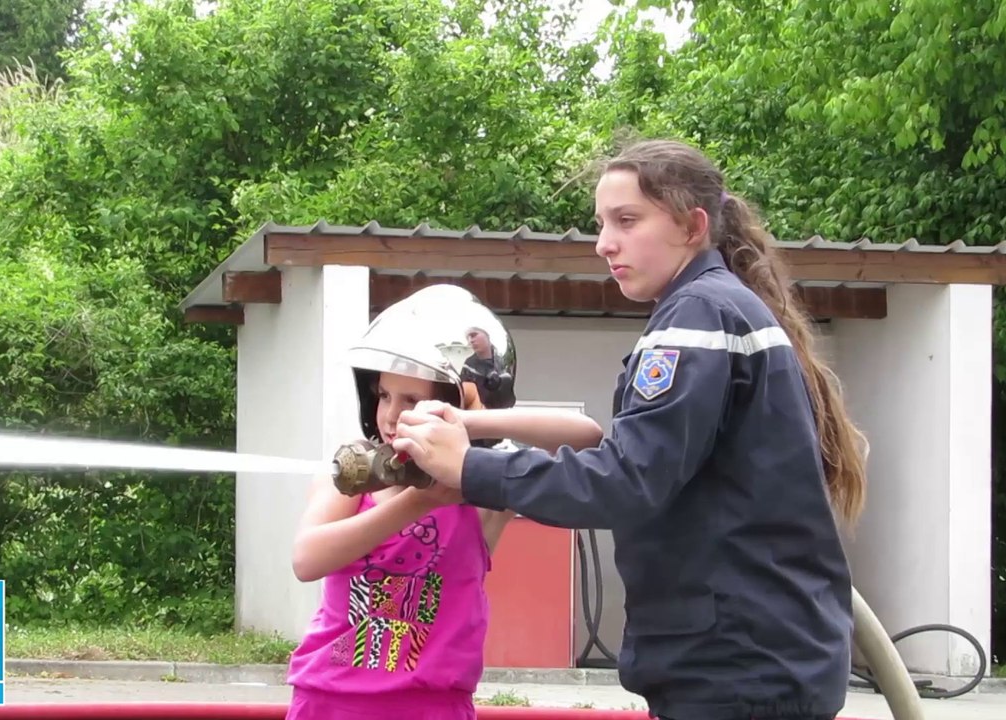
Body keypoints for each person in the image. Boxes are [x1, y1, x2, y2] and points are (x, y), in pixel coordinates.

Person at [391, 138, 869, 720]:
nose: (603, 243)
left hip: (734, 670)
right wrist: (468, 425)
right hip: (757, 660)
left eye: (626, 220)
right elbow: (632, 457)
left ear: (693, 226)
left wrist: (468, 467)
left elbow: (627, 480)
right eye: (601, 223)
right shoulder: (725, 307)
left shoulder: (697, 316)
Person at [283, 284, 604, 720]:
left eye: (411, 400)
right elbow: (307, 559)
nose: (391, 415)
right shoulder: (353, 477)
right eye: (383, 396)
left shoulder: (479, 488)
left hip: (434, 705)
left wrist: (465, 422)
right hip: (333, 701)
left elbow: (586, 434)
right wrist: (416, 503)